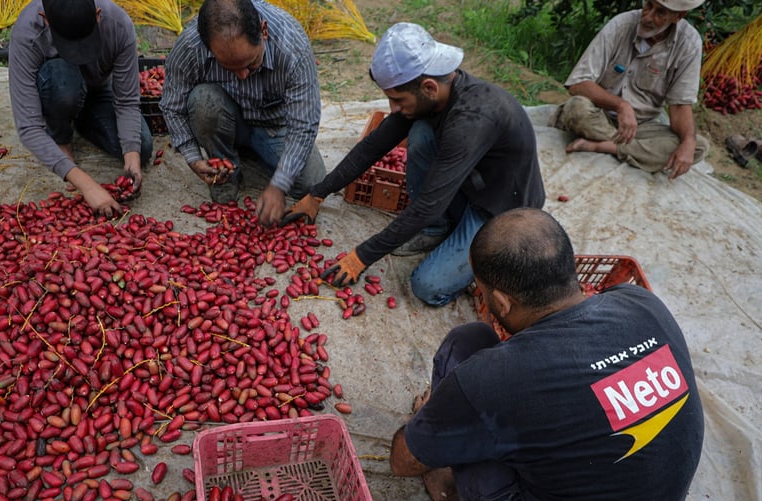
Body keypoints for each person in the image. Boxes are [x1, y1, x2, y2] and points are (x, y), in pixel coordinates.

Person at [389, 207, 704, 501]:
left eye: (484, 291)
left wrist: (429, 421)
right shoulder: (643, 304)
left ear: (501, 303)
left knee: (466, 343)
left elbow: (402, 462)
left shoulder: (496, 378)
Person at [285, 23, 545, 307]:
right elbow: (372, 146)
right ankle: (436, 229)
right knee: (420, 131)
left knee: (428, 287)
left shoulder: (472, 120)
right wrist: (317, 193)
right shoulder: (432, 99)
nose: (393, 108)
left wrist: (361, 256)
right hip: (467, 183)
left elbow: (427, 204)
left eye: (397, 100)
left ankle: (479, 261)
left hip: (499, 209)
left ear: (429, 87)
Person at [159, 0, 326, 226]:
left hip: (273, 125)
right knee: (203, 100)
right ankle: (227, 168)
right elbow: (172, 105)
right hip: (224, 117)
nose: (242, 76)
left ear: (264, 31)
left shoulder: (291, 45)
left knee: (311, 184)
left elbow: (304, 123)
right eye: (229, 68)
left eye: (251, 63)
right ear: (208, 47)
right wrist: (192, 157)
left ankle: (253, 154)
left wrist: (279, 185)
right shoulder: (191, 46)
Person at [9, 0, 152, 218]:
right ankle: (61, 136)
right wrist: (86, 184)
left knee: (143, 148)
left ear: (97, 15)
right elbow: (29, 127)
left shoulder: (118, 24)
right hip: (58, 88)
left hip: (98, 90)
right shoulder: (27, 34)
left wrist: (132, 158)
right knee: (63, 83)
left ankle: (82, 117)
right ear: (45, 20)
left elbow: (126, 101)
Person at [552, 0, 710, 180]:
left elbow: (680, 106)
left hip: (641, 127)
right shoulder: (621, 25)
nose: (648, 17)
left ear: (678, 16)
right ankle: (638, 151)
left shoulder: (688, 43)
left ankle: (604, 146)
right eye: (648, 5)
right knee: (576, 108)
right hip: (599, 115)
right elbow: (577, 84)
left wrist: (688, 142)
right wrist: (621, 105)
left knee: (697, 146)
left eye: (660, 13)